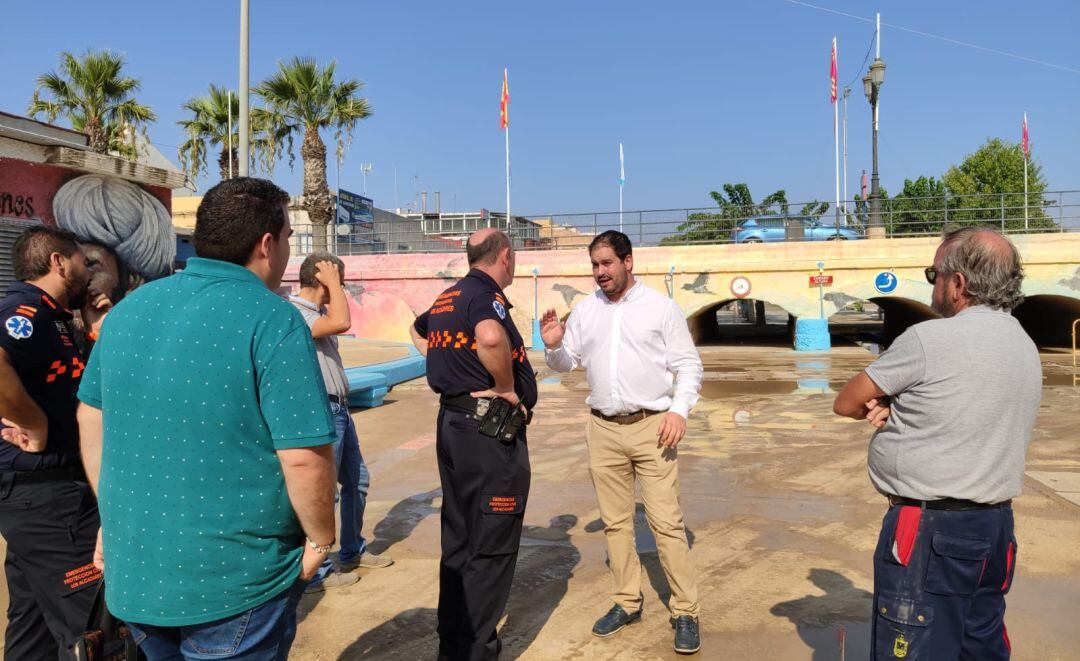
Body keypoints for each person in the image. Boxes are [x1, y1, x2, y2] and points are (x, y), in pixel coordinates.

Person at [73, 177, 339, 658]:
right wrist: (321, 541)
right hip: (234, 585)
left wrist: (113, 515)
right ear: (266, 243)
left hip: (138, 575)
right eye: (286, 240)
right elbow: (304, 457)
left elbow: (90, 420)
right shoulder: (272, 319)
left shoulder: (130, 311)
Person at [834, 227, 1040, 660]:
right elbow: (966, 402)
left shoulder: (929, 340)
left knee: (912, 644)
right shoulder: (1022, 342)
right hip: (995, 527)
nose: (933, 283)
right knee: (978, 643)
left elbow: (848, 402)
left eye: (935, 273)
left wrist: (889, 401)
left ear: (959, 283)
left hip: (931, 532)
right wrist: (903, 403)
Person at [540, 230, 703, 655]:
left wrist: (679, 411)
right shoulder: (586, 311)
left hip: (654, 427)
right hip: (603, 429)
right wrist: (553, 346)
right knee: (615, 523)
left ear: (628, 262)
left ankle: (685, 610)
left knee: (666, 523)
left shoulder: (661, 309)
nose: (600, 273)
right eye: (594, 265)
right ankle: (627, 601)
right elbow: (566, 364)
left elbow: (689, 367)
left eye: (607, 263)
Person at [408, 228, 537, 661]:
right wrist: (504, 387)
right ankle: (479, 651)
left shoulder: (449, 296)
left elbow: (418, 328)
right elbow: (491, 337)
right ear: (504, 255)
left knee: (460, 539)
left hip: (455, 424)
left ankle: (454, 646)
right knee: (491, 544)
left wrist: (450, 364)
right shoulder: (487, 295)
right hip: (486, 433)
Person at [0, 226, 101, 659]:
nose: (89, 272)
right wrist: (33, 423)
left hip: (43, 500)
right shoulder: (24, 308)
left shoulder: (56, 320)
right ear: (59, 262)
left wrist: (96, 333)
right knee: (93, 629)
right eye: (84, 261)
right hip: (49, 500)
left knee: (34, 631)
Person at [289, 252, 392, 595]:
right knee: (321, 494)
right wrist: (333, 282)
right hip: (321, 413)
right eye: (338, 282)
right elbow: (342, 323)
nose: (342, 288)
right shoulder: (295, 313)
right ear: (322, 281)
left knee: (356, 481)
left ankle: (352, 550)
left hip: (340, 410)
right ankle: (316, 571)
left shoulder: (318, 313)